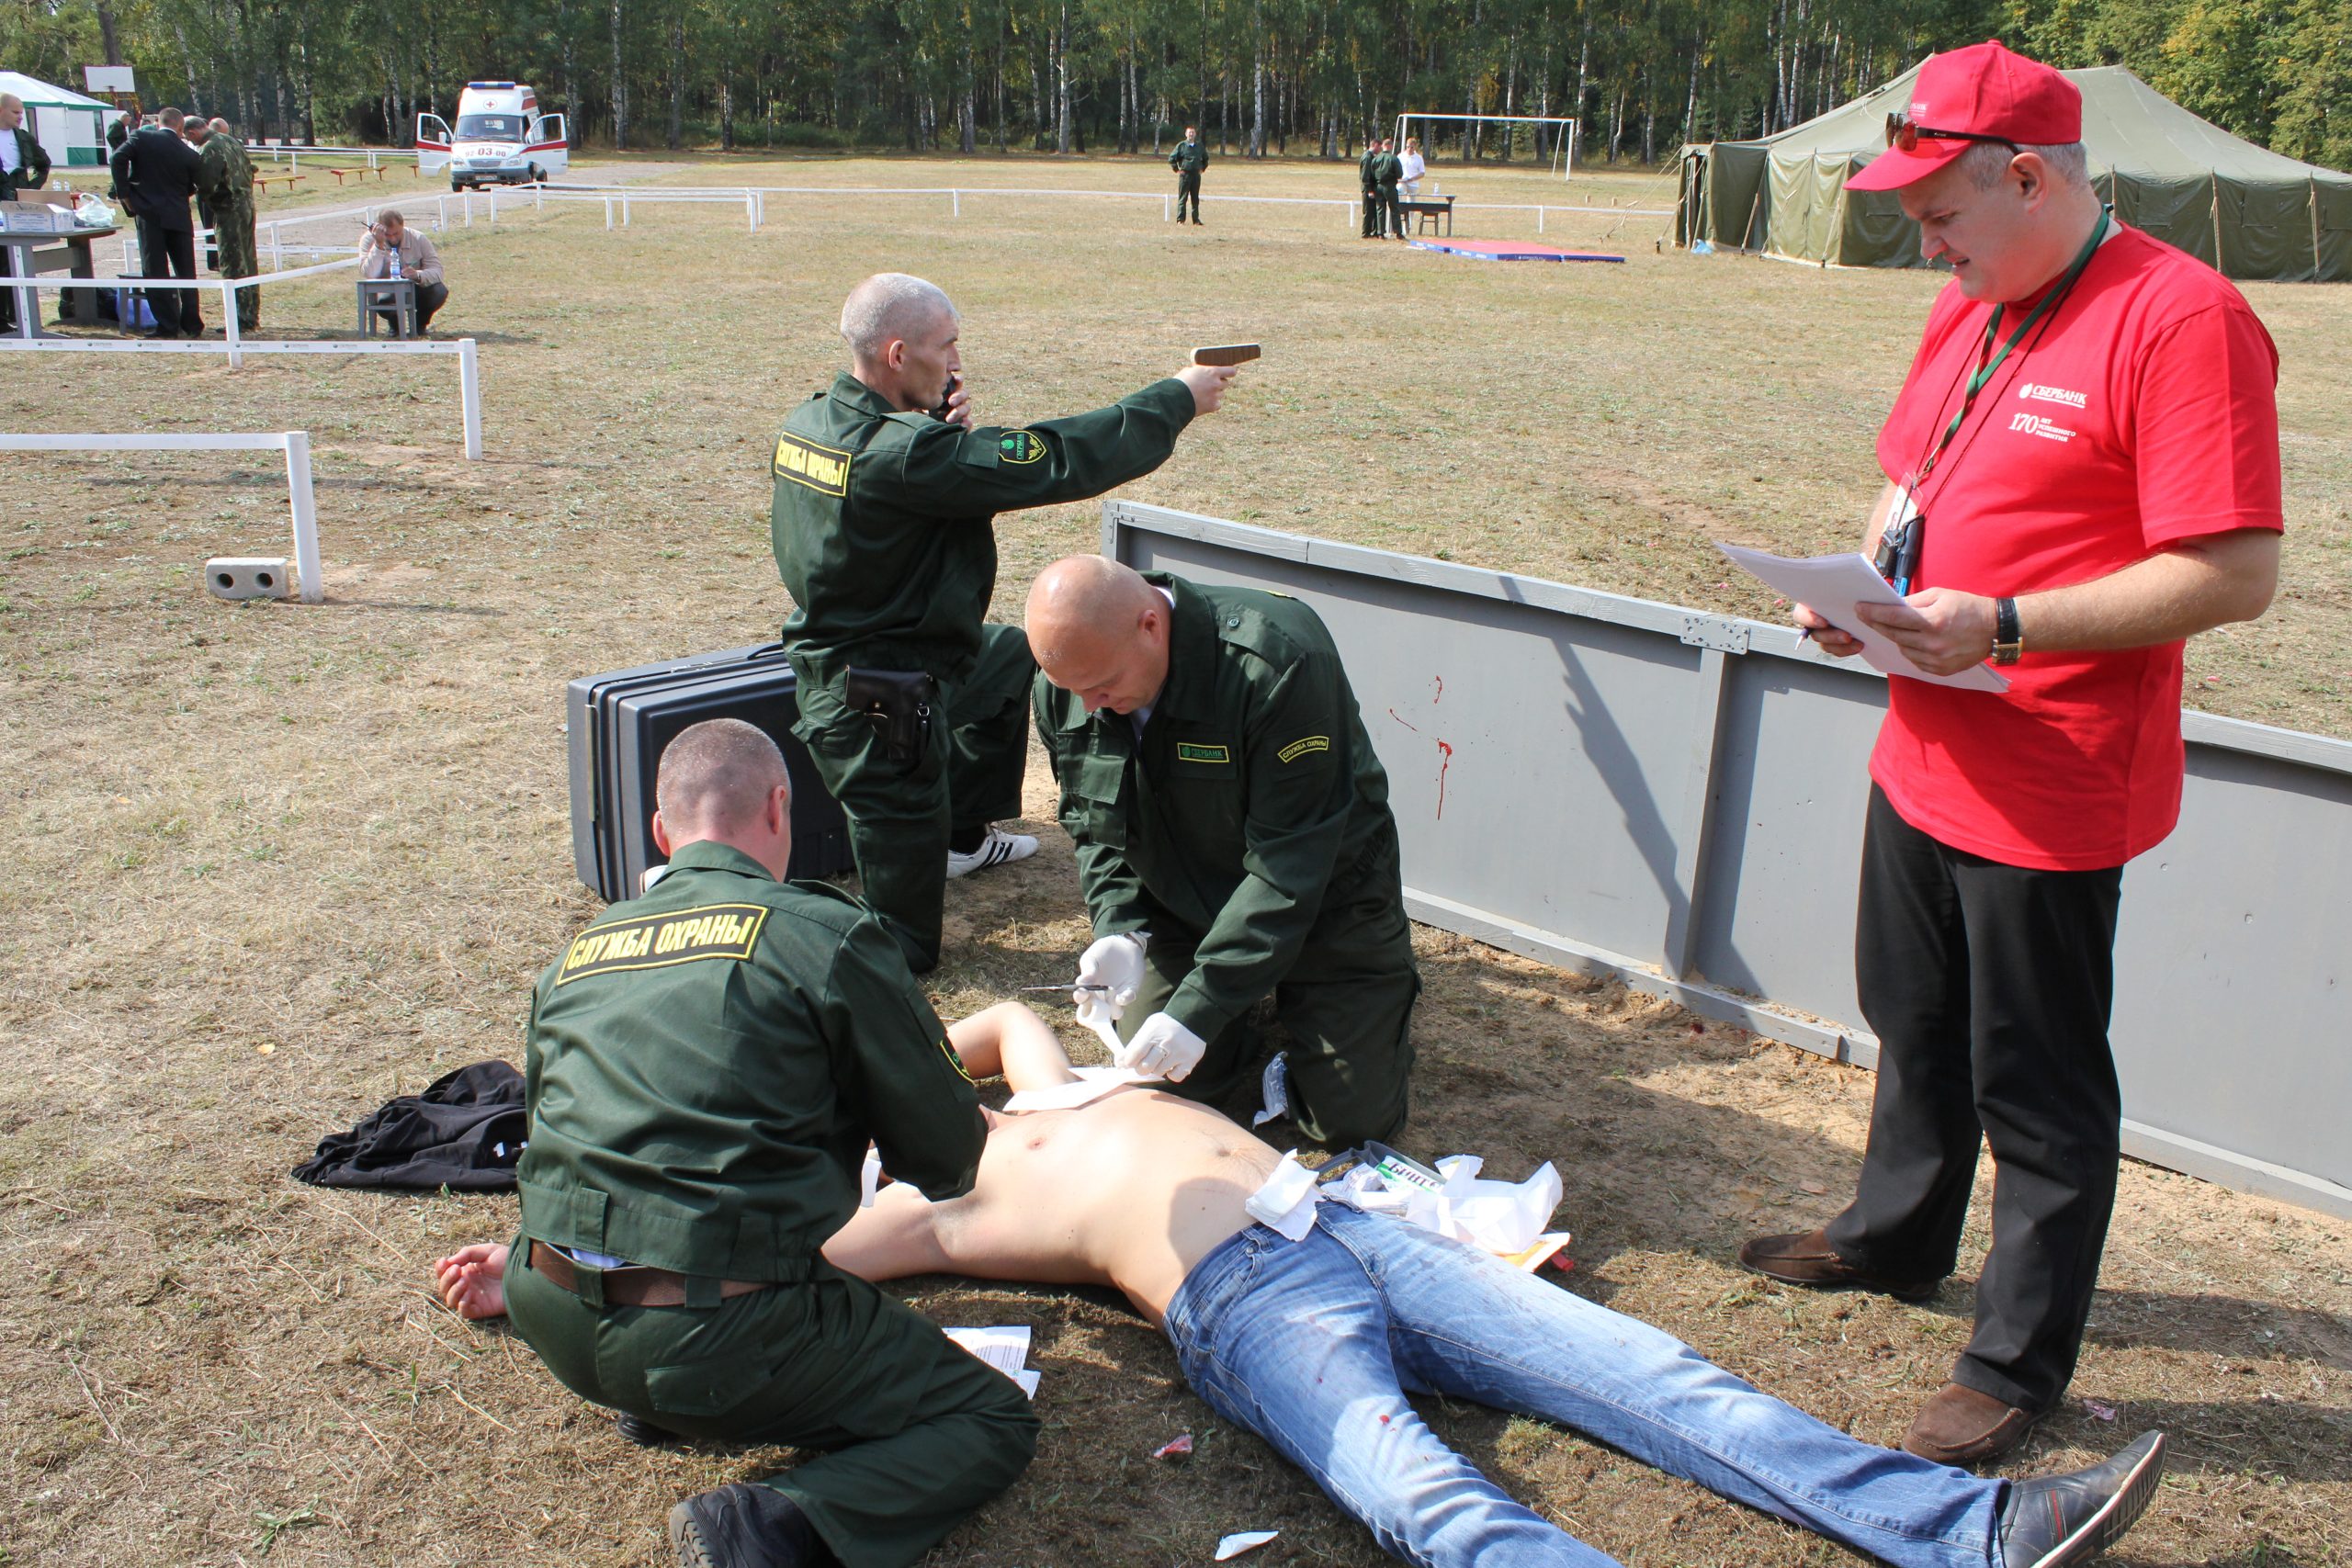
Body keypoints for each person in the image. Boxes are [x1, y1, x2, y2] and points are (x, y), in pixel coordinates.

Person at [440, 1011, 2172, 1568]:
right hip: (1239, 1303)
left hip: (1353, 1219)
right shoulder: (918, 1210)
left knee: (1654, 1377)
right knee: (1424, 1488)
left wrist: (921, 1065)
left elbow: (992, 1025)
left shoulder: (1021, 1084)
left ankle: (1974, 1538)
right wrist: (530, 1288)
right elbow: (760, 1272)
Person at [1737, 41, 2283, 1469]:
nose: (1926, 244)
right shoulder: (1973, 298)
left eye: (1942, 215)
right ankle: (1896, 1232)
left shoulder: (2183, 318)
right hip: (1925, 743)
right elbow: (1911, 473)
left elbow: (2235, 570)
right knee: (1912, 1021)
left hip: (2051, 771)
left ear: (2029, 173)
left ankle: (2014, 1351)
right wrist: (1855, 582)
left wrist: (2017, 624)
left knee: (2032, 1076)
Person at [485, 716, 1038, 1568]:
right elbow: (947, 1160)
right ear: (780, 809)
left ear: (662, 833)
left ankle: (662, 1397)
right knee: (990, 1419)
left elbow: (556, 1134)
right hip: (713, 1338)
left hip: (550, 1307)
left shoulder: (577, 953)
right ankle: (773, 1529)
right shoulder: (825, 932)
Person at [769, 272, 1240, 974]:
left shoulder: (815, 421)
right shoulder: (904, 454)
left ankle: (959, 833)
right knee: (903, 946)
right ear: (898, 355)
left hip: (889, 653)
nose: (957, 362)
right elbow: (1057, 460)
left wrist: (928, 431)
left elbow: (891, 510)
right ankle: (766, 906)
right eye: (946, 347)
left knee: (1009, 657)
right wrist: (1175, 399)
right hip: (877, 700)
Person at [1026, 554, 1416, 1151]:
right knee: (1165, 1081)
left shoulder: (1277, 663)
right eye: (1072, 691)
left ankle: (1318, 1008)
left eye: (1101, 685)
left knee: (1351, 1123)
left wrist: (1198, 1008)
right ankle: (1236, 1015)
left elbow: (1289, 867)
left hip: (1327, 903)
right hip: (1180, 898)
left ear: (1150, 625)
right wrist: (1122, 930)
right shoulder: (1075, 684)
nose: (1090, 707)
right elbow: (1097, 828)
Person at [108, 107, 205, 338]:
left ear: (159, 122)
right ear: (180, 127)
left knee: (155, 271)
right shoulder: (189, 153)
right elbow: (196, 183)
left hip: (149, 214)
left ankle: (167, 325)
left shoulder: (141, 137)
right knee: (186, 271)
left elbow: (117, 158)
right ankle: (192, 324)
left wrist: (125, 194)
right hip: (179, 215)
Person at [198, 118, 259, 330]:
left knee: (232, 262)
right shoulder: (231, 141)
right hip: (246, 204)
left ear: (194, 131)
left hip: (228, 209)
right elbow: (251, 168)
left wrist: (203, 195)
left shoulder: (211, 148)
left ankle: (239, 318)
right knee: (248, 259)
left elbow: (207, 183)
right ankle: (251, 312)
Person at [0, 93, 52, 334]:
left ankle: (16, 315)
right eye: (15, 112)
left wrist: (31, 189)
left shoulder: (22, 138)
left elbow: (43, 163)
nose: (20, 116)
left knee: (13, 261)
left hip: (16, 206)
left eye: (21, 112)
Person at [357, 209, 446, 336]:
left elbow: (437, 271)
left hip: (415, 288)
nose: (392, 238)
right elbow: (369, 273)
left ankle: (420, 324)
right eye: (387, 234)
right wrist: (378, 244)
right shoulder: (368, 240)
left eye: (396, 233)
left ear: (403, 226)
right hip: (387, 292)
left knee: (439, 291)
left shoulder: (418, 238)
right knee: (384, 301)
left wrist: (418, 274)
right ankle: (395, 325)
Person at [1169, 124, 1207, 226]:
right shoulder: (1181, 146)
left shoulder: (1199, 146)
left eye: (1193, 132)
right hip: (1185, 176)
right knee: (1183, 198)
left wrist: (1202, 169)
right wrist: (1177, 170)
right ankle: (1180, 220)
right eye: (1189, 132)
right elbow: (1171, 158)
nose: (1191, 134)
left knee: (1195, 198)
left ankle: (1196, 220)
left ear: (1195, 134)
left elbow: (1206, 158)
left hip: (1196, 176)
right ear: (1186, 134)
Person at [1373, 137, 1406, 241]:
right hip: (1390, 186)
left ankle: (1380, 233)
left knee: (1380, 209)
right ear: (1391, 146)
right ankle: (1398, 233)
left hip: (1378, 186)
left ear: (1383, 146)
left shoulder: (1376, 158)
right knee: (1395, 209)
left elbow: (1372, 172)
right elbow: (1400, 174)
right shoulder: (1394, 158)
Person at [1359, 137, 1385, 238]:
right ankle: (1365, 233)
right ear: (1375, 145)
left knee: (1373, 211)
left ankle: (1373, 232)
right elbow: (1365, 176)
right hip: (1367, 189)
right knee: (1368, 211)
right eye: (1380, 147)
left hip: (1371, 188)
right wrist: (1369, 190)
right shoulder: (1367, 157)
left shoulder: (1371, 156)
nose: (1380, 150)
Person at [1397, 135, 1427, 199]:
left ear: (1415, 147)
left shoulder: (1419, 158)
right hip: (1402, 182)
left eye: (1412, 147)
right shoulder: (1400, 156)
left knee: (1411, 203)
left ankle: (1410, 209)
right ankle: (1399, 208)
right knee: (1399, 190)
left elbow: (1422, 173)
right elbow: (1396, 169)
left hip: (1413, 183)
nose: (1409, 149)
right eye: (1408, 147)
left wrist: (1412, 178)